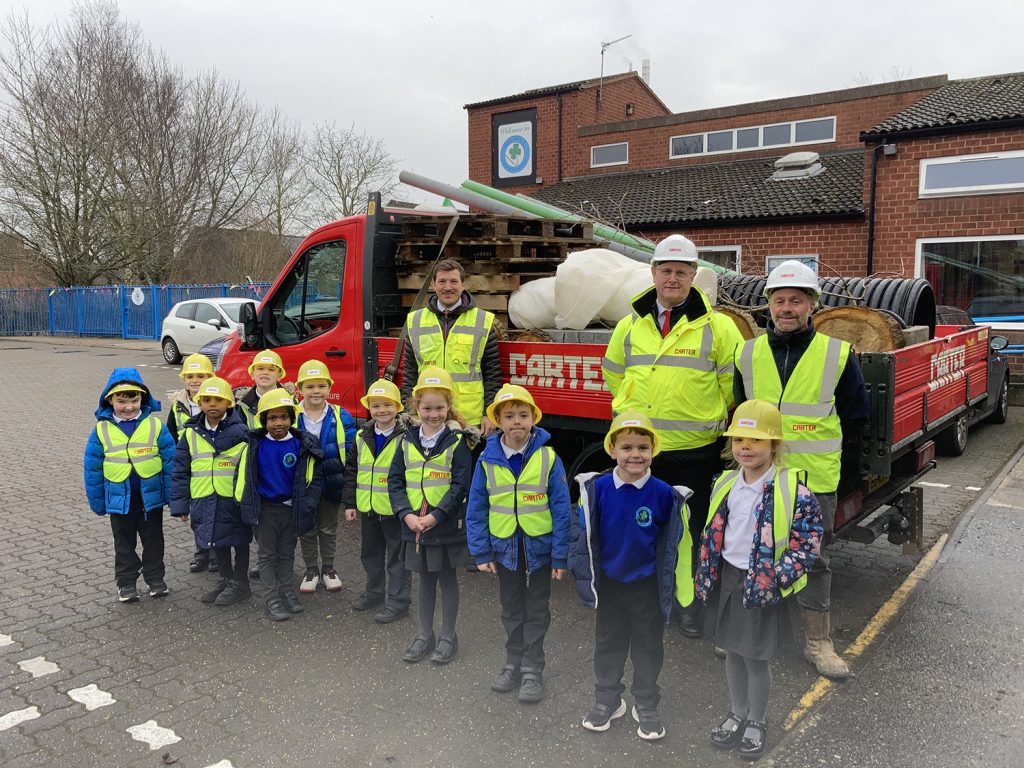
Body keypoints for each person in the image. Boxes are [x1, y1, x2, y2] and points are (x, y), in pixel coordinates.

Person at [602, 234, 744, 638]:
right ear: (653, 273)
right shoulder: (630, 325)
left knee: (691, 535)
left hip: (693, 454)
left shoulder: (719, 328)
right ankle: (648, 600)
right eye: (666, 270)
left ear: (694, 275)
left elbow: (733, 388)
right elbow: (614, 375)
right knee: (641, 529)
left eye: (682, 271)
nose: (673, 279)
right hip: (642, 454)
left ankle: (688, 605)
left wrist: (704, 418)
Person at [733, 259, 869, 680]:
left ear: (812, 305)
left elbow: (856, 418)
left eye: (796, 300)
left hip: (813, 481)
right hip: (760, 477)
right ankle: (749, 631)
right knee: (751, 551)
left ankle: (817, 642)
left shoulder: (836, 354)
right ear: (768, 306)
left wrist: (837, 468)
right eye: (779, 300)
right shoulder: (747, 353)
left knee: (814, 561)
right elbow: (740, 415)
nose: (787, 308)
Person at [695, 399, 823, 761]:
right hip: (729, 580)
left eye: (756, 440)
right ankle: (737, 713)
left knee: (755, 659)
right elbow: (713, 531)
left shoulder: (792, 490)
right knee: (732, 652)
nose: (745, 447)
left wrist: (778, 577)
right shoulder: (724, 483)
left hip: (761, 585)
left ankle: (757, 720)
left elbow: (808, 540)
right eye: (739, 440)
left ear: (775, 444)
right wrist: (707, 572)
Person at [570, 411, 694, 742]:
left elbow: (676, 547)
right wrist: (579, 570)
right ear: (612, 450)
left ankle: (646, 704)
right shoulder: (597, 489)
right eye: (626, 447)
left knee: (647, 648)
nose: (635, 455)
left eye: (642, 447)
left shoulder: (664, 494)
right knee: (608, 645)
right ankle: (608, 701)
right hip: (610, 585)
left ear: (653, 450)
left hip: (646, 587)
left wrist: (682, 590)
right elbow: (581, 535)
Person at [466, 384, 572, 704]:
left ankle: (532, 668)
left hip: (540, 548)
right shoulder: (486, 460)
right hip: (504, 548)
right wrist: (481, 551)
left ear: (533, 419)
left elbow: (562, 510)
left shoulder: (548, 458)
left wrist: (560, 556)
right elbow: (476, 508)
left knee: (537, 609)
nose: (516, 422)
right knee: (511, 607)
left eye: (523, 415)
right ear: (498, 421)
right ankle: (513, 662)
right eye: (509, 416)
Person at [388, 367, 474, 665]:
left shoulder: (457, 441)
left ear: (448, 406)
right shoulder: (406, 440)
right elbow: (395, 480)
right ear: (416, 407)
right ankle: (424, 635)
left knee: (447, 580)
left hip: (444, 525)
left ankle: (449, 636)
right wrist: (405, 515)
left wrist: (437, 516)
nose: (433, 414)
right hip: (415, 525)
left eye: (439, 408)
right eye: (427, 408)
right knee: (424, 580)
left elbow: (460, 485)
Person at [84, 368, 175, 603]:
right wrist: (98, 502)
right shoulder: (101, 430)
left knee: (154, 540)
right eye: (121, 401)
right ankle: (126, 583)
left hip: (150, 498)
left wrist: (173, 497)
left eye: (134, 400)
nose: (128, 407)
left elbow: (171, 463)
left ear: (142, 398)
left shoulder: (155, 426)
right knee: (124, 543)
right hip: (119, 499)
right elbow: (92, 469)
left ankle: (155, 579)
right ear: (109, 400)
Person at [238, 389, 324, 621]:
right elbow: (243, 478)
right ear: (263, 421)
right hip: (265, 510)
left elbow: (315, 478)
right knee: (267, 555)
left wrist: (308, 504)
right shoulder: (254, 445)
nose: (279, 423)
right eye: (272, 418)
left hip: (291, 509)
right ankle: (271, 597)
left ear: (291, 419)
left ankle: (286, 590)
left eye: (284, 417)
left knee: (287, 552)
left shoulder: (302, 445)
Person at [169, 377, 252, 607]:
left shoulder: (242, 431)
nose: (212, 404)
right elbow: (181, 469)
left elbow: (250, 469)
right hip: (204, 497)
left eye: (218, 400)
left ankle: (241, 582)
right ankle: (226, 578)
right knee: (216, 540)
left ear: (229, 403)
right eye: (206, 400)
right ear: (199, 402)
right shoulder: (190, 433)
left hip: (232, 499)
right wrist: (180, 504)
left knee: (240, 540)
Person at [401, 258, 501, 434]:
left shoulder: (482, 321)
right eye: (442, 281)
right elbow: (410, 373)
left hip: (468, 419)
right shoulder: (415, 321)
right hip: (428, 417)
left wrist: (489, 413)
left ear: (463, 285)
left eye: (454, 281)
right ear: (434, 285)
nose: (448, 287)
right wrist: (409, 412)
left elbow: (492, 374)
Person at [342, 379, 411, 624]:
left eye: (387, 405)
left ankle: (398, 602)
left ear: (398, 407)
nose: (382, 410)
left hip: (395, 510)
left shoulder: (406, 437)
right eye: (376, 406)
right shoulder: (362, 435)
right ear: (369, 408)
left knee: (397, 558)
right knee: (370, 554)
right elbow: (352, 469)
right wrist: (350, 503)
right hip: (369, 507)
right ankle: (374, 593)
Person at [294, 359, 355, 594]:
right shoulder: (292, 414)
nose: (316, 391)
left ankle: (328, 568)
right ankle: (311, 570)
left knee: (329, 528)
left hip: (331, 481)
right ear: (300, 388)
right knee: (307, 529)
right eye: (309, 386)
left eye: (321, 386)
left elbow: (350, 451)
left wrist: (348, 486)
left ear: (329, 387)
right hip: (304, 483)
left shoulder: (341, 415)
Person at [166, 353, 218, 574]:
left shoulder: (216, 401)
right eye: (190, 376)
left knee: (215, 510)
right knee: (197, 513)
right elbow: (171, 435)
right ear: (184, 379)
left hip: (213, 466)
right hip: (191, 466)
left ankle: (216, 553)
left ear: (210, 377)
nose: (195, 380)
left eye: (200, 376)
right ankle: (202, 551)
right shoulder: (177, 406)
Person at [236, 349, 288, 429]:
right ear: (252, 374)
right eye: (260, 368)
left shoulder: (290, 401)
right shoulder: (244, 406)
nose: (265, 372)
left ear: (279, 375)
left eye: (271, 369)